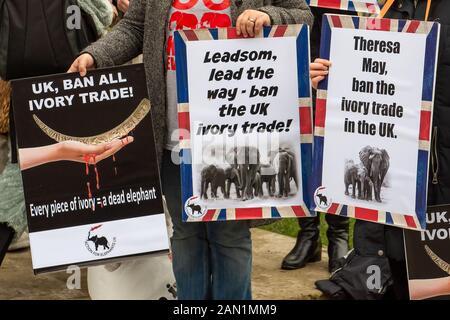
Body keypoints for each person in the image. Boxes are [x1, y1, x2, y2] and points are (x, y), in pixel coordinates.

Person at [69, 0, 313, 300]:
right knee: (185, 233)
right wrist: (95, 55)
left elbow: (302, 15)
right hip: (174, 136)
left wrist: (267, 15)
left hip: (235, 137)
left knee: (231, 237)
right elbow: (134, 28)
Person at [311, 0, 449, 300]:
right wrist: (326, 78)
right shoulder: (383, 9)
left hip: (438, 187)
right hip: (390, 197)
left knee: (434, 288)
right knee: (395, 275)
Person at [282, 6, 350, 273]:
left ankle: (339, 235)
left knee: (340, 134)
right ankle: (308, 233)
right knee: (300, 135)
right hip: (302, 26)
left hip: (347, 27)